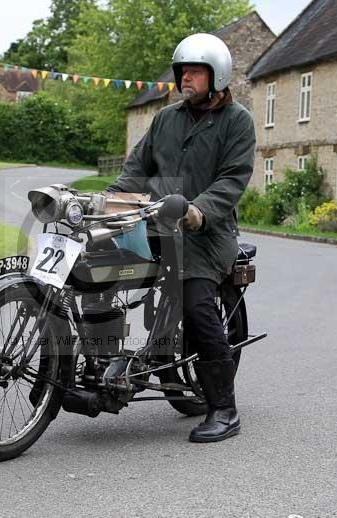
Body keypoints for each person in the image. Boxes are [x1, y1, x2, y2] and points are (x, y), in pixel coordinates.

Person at [105, 33, 256, 443]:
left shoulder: (237, 121)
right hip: (157, 224)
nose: (185, 78)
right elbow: (137, 166)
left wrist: (198, 210)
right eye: (182, 71)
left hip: (208, 235)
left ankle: (225, 409)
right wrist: (112, 200)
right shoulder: (166, 119)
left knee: (194, 302)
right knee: (97, 269)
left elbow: (232, 178)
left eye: (194, 71)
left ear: (216, 75)